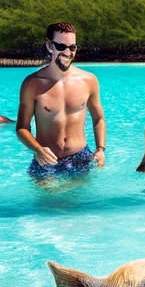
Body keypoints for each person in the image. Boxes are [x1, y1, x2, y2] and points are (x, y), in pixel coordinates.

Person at [17, 21, 106, 180]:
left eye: (72, 47)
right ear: (50, 46)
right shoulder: (32, 84)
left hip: (80, 157)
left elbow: (98, 118)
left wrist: (100, 149)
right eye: (61, 47)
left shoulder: (88, 80)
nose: (67, 52)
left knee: (80, 203)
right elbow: (22, 128)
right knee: (48, 203)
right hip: (46, 158)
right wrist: (39, 150)